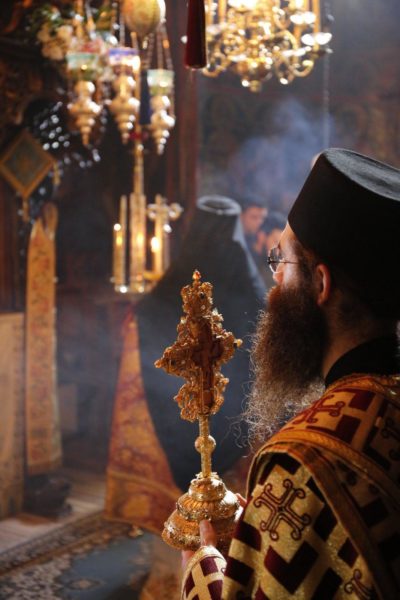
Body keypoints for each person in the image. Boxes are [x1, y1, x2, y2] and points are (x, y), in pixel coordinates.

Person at [180, 148, 400, 599]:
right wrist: (264, 530)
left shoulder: (302, 460)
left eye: (283, 260)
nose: (276, 278)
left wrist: (203, 570)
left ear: (321, 283)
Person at [105, 195, 265, 533]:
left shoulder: (184, 271)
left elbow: (152, 313)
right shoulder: (243, 270)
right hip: (228, 394)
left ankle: (186, 532)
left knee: (195, 426)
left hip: (193, 393)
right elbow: (261, 322)